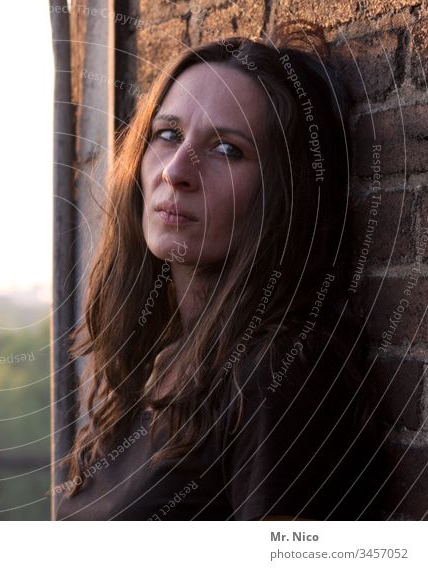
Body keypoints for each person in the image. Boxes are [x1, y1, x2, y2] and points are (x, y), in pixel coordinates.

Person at [53, 20, 385, 521]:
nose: (176, 170)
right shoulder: (150, 368)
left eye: (227, 149)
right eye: (167, 135)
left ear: (284, 193)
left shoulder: (278, 375)